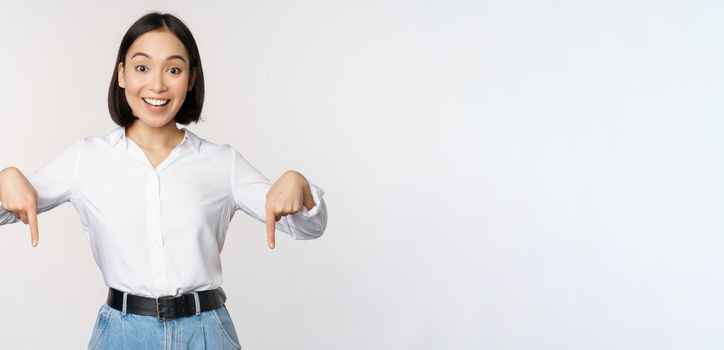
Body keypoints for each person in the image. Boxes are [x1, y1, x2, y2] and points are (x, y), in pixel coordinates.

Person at [0, 11, 328, 350]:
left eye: (173, 69)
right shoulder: (87, 158)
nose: (157, 85)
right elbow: (9, 207)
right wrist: (4, 179)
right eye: (142, 68)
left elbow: (306, 228)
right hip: (122, 335)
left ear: (190, 79)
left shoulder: (221, 163)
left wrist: (299, 186)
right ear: (122, 74)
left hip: (206, 335)